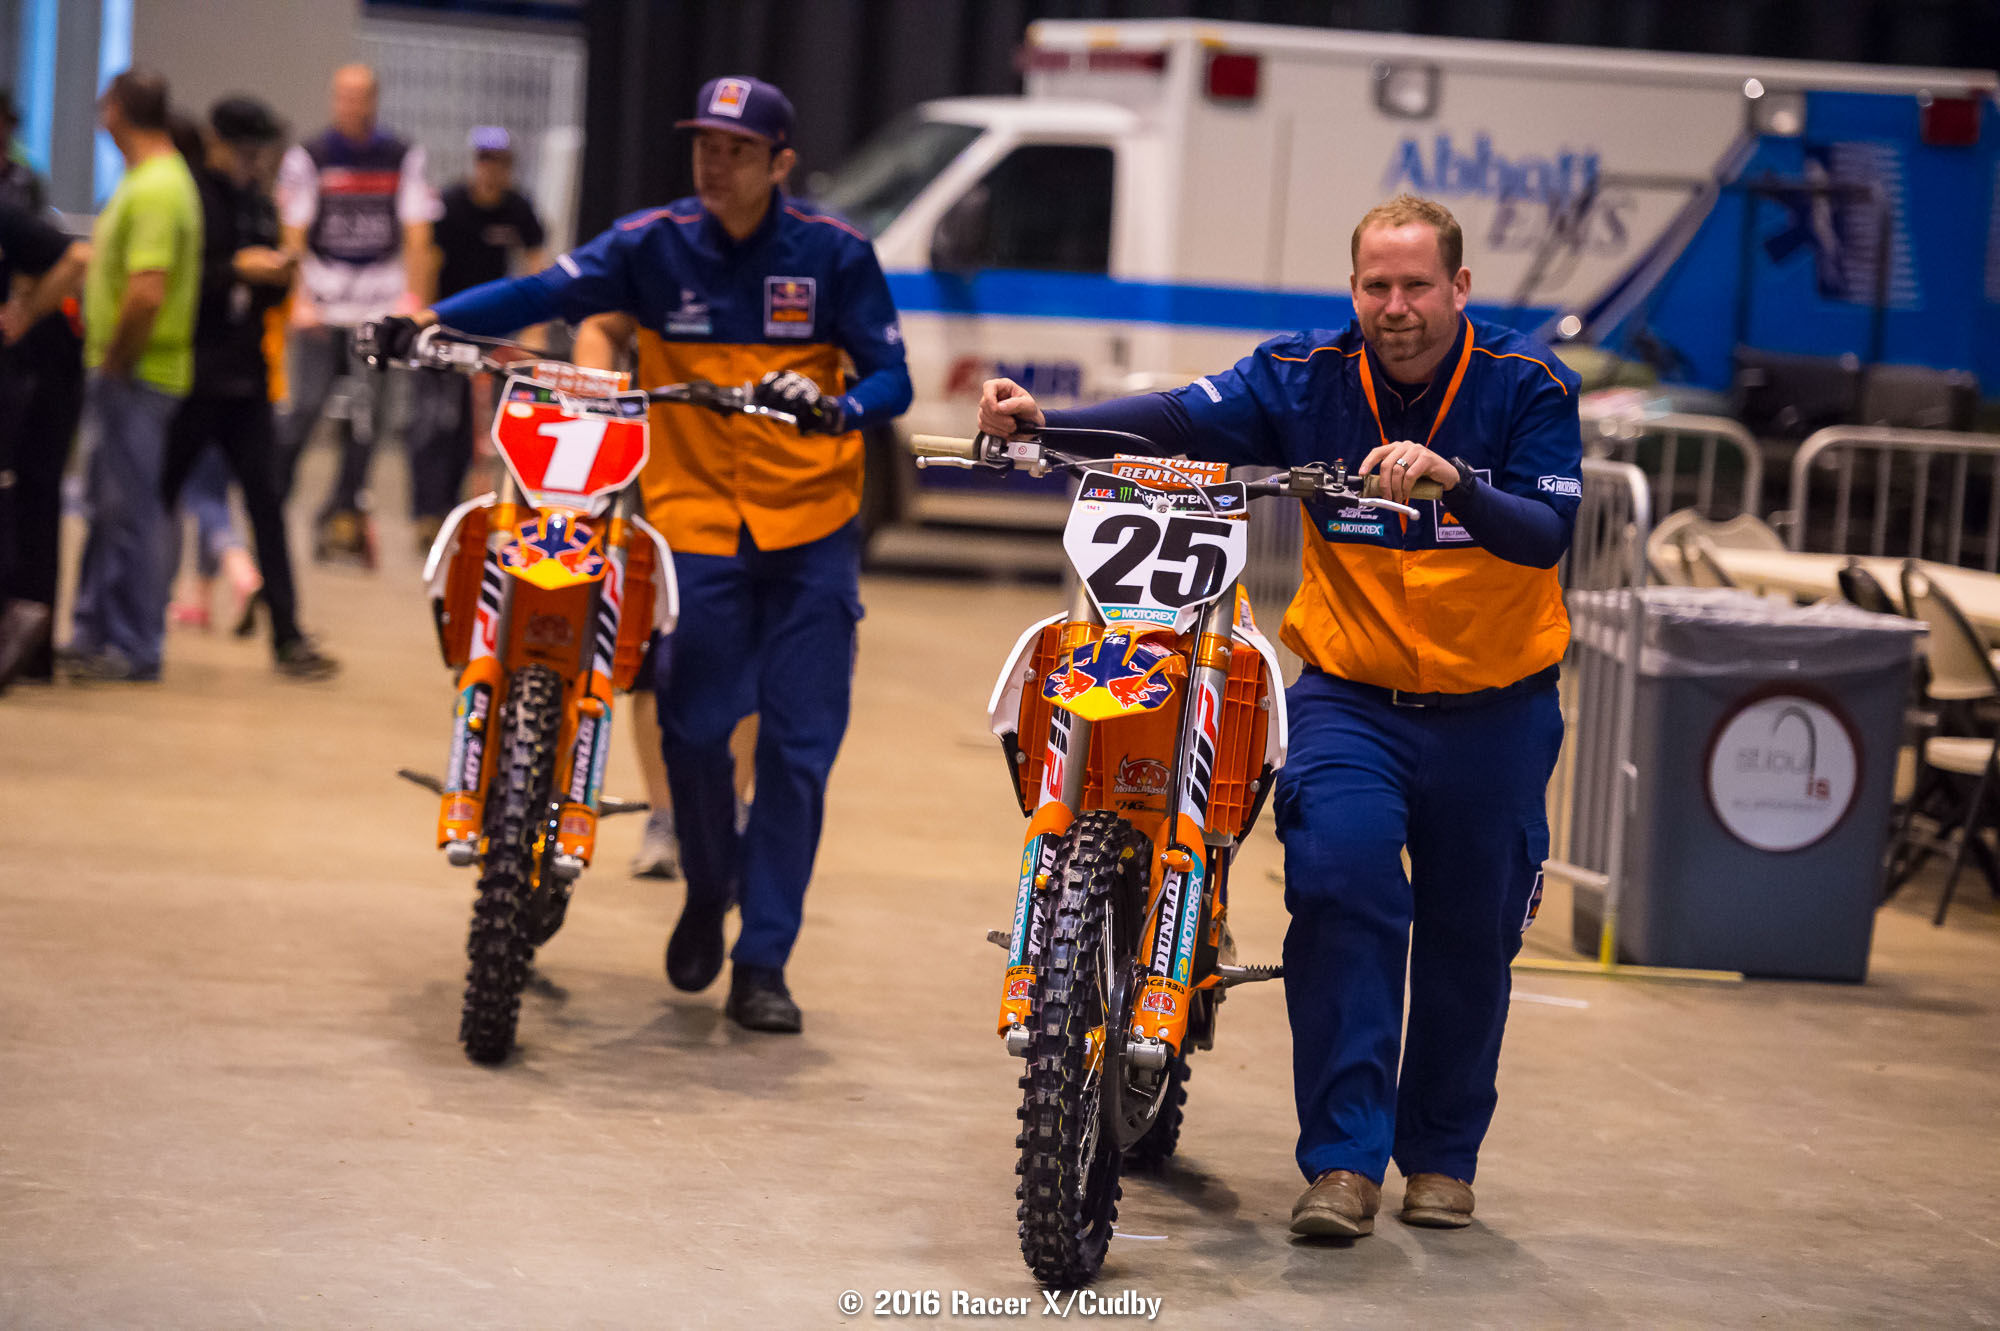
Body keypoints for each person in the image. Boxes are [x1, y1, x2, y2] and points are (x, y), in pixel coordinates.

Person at [978, 194, 1581, 1236]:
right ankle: (1342, 1162)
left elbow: (1543, 530)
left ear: (1459, 288)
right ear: (1352, 291)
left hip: (1497, 707)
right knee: (1340, 889)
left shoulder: (1525, 385)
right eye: (1374, 286)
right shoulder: (1302, 374)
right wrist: (1047, 423)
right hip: (1350, 697)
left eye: (1415, 286)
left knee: (1467, 933)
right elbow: (1176, 415)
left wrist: (1454, 485)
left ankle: (1438, 1155)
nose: (1394, 307)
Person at [374, 75, 911, 1033]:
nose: (715, 162)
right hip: (695, 526)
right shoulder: (651, 245)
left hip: (810, 533)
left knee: (797, 751)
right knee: (693, 732)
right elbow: (540, 291)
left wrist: (842, 407)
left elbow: (892, 375)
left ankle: (764, 960)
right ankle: (710, 886)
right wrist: (431, 323)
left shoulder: (836, 256)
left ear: (780, 163)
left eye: (737, 150)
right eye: (705, 143)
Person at [160, 95, 338, 680]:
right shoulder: (191, 199)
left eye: (260, 147)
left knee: (267, 504)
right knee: (156, 501)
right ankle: (134, 624)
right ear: (218, 142)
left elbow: (267, 295)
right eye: (246, 146)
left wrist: (277, 278)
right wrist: (236, 270)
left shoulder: (260, 206)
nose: (254, 157)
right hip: (191, 377)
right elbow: (179, 282)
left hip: (247, 383)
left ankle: (287, 635)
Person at [63, 68, 202, 683]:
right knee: (111, 506)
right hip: (135, 371)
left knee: (130, 511)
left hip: (140, 373)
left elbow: (146, 293)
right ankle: (97, 631)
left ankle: (133, 644)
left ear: (118, 111)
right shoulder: (154, 181)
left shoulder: (156, 190)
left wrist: (116, 359)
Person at [275, 63, 438, 564]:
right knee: (303, 409)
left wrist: (414, 305)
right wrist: (297, 300)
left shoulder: (401, 155)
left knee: (371, 421)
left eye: (360, 96)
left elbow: (417, 233)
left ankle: (345, 514)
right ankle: (272, 496)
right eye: (343, 96)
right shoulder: (310, 156)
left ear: (374, 100)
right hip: (321, 307)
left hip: (378, 307)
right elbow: (294, 232)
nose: (351, 106)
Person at [407, 125, 546, 550]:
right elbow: (428, 260)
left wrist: (533, 331)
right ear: (475, 163)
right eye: (484, 160)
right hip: (446, 327)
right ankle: (429, 513)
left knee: (478, 429)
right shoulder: (451, 204)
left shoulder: (519, 208)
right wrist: (422, 324)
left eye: (498, 162)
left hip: (493, 334)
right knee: (434, 423)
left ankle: (465, 511)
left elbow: (536, 264)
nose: (490, 170)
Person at [0, 200, 87, 690]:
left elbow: (76, 257)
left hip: (36, 382)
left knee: (27, 501)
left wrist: (27, 311)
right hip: (39, 384)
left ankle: (28, 635)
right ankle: (34, 648)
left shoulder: (10, 213)